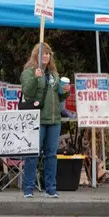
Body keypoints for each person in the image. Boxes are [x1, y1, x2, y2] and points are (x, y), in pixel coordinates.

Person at [19, 42, 70, 198]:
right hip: (37, 118)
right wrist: (35, 78)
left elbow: (58, 96)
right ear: (36, 55)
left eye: (48, 53)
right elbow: (27, 92)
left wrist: (65, 92)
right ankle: (28, 188)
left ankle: (51, 188)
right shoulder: (29, 72)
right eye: (43, 53)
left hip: (54, 119)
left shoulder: (54, 74)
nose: (46, 56)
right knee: (33, 154)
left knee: (51, 155)